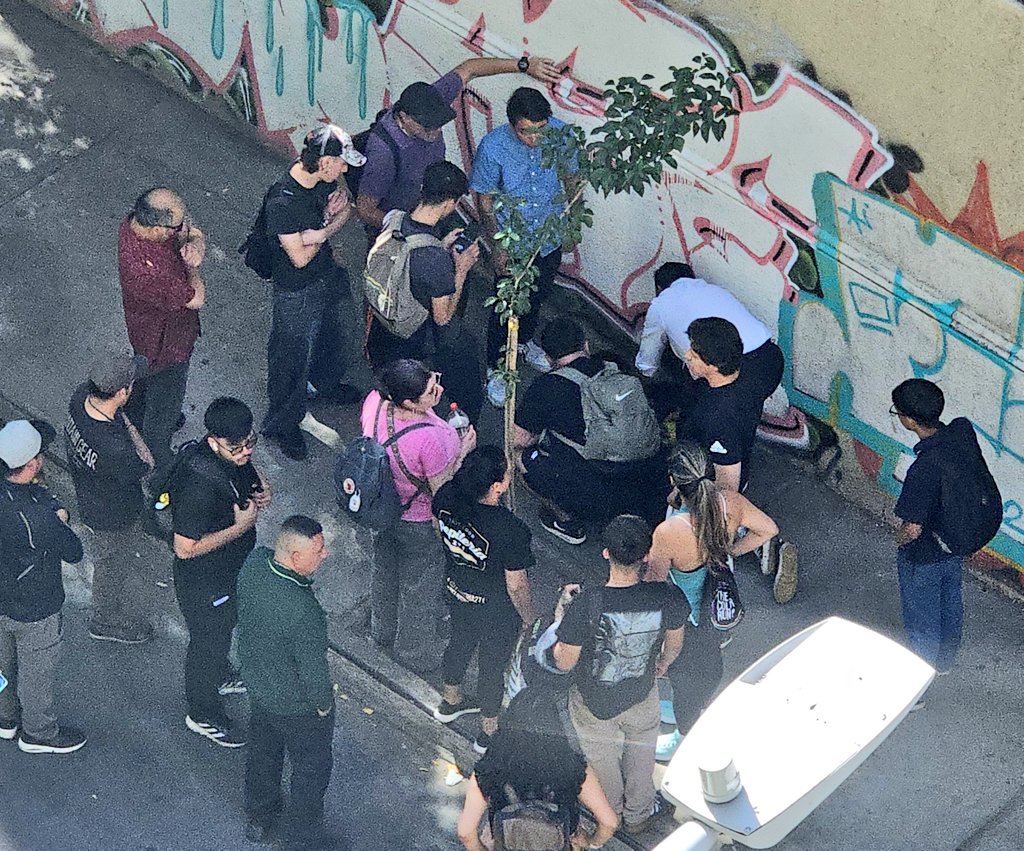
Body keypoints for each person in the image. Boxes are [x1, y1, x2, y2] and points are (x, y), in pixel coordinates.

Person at [552, 515, 685, 836]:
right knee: (642, 755)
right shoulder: (667, 597)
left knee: (602, 759)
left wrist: (561, 615)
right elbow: (674, 646)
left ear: (606, 553)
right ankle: (638, 816)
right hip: (642, 693)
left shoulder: (586, 604)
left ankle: (609, 814)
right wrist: (662, 664)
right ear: (646, 556)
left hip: (593, 704)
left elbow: (563, 662)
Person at [646, 441, 780, 742]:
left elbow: (655, 582)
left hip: (688, 614)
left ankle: (687, 731)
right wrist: (732, 548)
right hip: (718, 596)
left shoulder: (669, 532)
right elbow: (769, 529)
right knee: (708, 656)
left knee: (684, 674)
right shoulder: (731, 503)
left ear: (674, 481)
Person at [355, 56, 562, 237]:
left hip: (437, 205)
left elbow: (470, 68)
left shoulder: (431, 99)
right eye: (427, 128)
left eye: (439, 124)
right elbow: (366, 210)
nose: (435, 132)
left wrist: (524, 65)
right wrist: (414, 229)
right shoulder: (383, 152)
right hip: (402, 224)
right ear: (404, 118)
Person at [359, 360, 475, 672]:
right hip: (418, 521)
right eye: (429, 391)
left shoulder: (374, 403)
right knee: (420, 588)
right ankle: (414, 653)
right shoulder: (434, 439)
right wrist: (463, 451)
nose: (438, 390)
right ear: (409, 402)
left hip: (379, 509)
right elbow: (443, 492)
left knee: (383, 570)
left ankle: (380, 631)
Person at [169, 397, 271, 747]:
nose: (245, 452)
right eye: (237, 446)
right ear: (213, 441)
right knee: (206, 645)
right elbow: (184, 548)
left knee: (221, 632)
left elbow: (245, 472)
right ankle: (202, 712)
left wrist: (260, 487)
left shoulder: (225, 456)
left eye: (250, 442)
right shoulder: (200, 486)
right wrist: (242, 527)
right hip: (204, 582)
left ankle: (220, 675)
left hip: (227, 573)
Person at [261, 124, 366, 461]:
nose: (345, 169)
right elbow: (300, 257)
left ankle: (321, 384)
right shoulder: (283, 201)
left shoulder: (325, 182)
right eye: (341, 162)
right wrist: (325, 231)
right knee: (290, 357)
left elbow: (347, 206)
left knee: (344, 333)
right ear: (323, 162)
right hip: (296, 289)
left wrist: (320, 231)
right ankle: (283, 421)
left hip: (327, 273)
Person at [514, 317, 667, 544]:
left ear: (548, 358)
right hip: (648, 481)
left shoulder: (544, 389)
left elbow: (519, 438)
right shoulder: (615, 367)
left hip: (597, 496)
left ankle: (566, 521)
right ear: (586, 345)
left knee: (520, 456)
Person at [237, 515, 338, 851]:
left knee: (263, 754)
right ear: (296, 558)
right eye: (319, 550)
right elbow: (313, 671)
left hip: (258, 688)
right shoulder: (304, 611)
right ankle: (302, 839)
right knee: (311, 771)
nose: (325, 555)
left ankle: (259, 816)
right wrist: (324, 705)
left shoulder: (254, 565)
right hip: (297, 709)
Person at [470, 87, 576, 399]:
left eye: (541, 130)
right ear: (512, 124)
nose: (535, 138)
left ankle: (526, 343)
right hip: (513, 242)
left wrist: (572, 223)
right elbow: (485, 201)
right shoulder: (493, 148)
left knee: (537, 297)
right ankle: (497, 367)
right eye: (526, 132)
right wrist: (497, 245)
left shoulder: (562, 136)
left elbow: (571, 179)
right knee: (505, 309)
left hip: (548, 237)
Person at [432, 446, 535, 754]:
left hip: (456, 590)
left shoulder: (446, 496)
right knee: (493, 666)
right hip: (496, 610)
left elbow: (438, 529)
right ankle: (488, 732)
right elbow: (516, 585)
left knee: (458, 644)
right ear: (497, 486)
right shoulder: (510, 530)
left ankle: (451, 702)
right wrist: (530, 617)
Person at [365, 161, 484, 422]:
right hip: (411, 333)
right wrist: (461, 270)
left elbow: (407, 257)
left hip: (382, 320)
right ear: (450, 204)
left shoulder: (394, 219)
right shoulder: (436, 262)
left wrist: (440, 245)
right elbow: (443, 318)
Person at [0, 420, 86, 754]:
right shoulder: (38, 518)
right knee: (36, 672)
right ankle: (39, 732)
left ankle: (5, 718)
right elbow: (74, 552)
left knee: (2, 665)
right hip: (35, 606)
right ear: (32, 464)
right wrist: (58, 517)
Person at [891, 379, 986, 678]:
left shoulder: (923, 469)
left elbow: (912, 528)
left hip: (926, 553)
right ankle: (943, 662)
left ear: (909, 420)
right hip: (957, 540)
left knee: (922, 617)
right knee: (950, 600)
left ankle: (916, 683)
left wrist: (900, 542)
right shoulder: (961, 432)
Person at [64, 351, 155, 644]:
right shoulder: (116, 449)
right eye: (130, 383)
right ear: (120, 392)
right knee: (111, 567)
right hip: (114, 518)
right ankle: (105, 621)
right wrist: (127, 424)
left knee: (109, 563)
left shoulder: (80, 398)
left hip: (90, 500)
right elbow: (147, 463)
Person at [457, 689, 619, 851]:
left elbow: (465, 833)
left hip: (509, 842)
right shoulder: (570, 764)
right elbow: (609, 822)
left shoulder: (490, 767)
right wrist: (591, 842)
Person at [118, 187, 205, 478]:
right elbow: (196, 297)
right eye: (176, 226)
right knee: (164, 410)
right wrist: (193, 267)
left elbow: (195, 233)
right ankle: (159, 467)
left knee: (142, 381)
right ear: (158, 229)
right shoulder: (146, 272)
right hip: (166, 346)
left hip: (145, 335)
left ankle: (132, 418)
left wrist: (193, 241)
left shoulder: (134, 224)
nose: (182, 228)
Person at [635, 262, 784, 417]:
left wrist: (644, 382)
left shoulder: (661, 304)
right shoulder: (715, 290)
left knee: (707, 426)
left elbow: (648, 357)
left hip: (733, 373)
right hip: (771, 359)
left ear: (659, 288)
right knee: (742, 419)